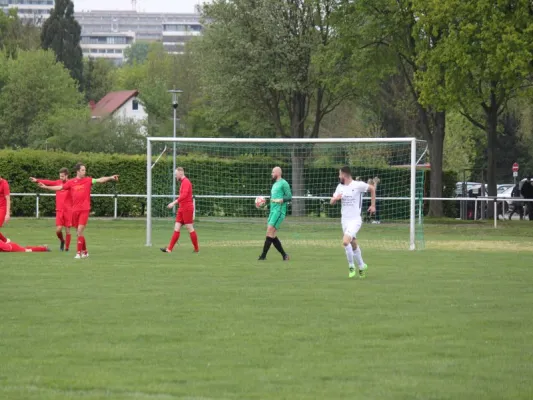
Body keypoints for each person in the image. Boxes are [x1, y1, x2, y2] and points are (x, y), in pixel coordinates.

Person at [38, 163, 119, 259]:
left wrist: (110, 177)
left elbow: (100, 180)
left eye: (85, 170)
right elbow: (60, 187)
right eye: (83, 170)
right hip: (74, 211)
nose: (85, 171)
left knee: (80, 231)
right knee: (78, 233)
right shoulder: (71, 182)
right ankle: (85, 252)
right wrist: (46, 187)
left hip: (84, 210)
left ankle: (78, 253)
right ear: (78, 171)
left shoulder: (88, 180)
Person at [330, 166, 376, 279]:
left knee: (346, 242)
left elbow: (372, 188)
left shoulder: (358, 185)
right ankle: (361, 265)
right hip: (344, 220)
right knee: (353, 243)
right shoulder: (339, 187)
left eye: (340, 174)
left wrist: (373, 205)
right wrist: (335, 199)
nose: (339, 176)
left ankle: (351, 266)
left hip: (355, 220)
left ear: (345, 175)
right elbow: (331, 202)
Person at [30, 168, 73, 251]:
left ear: (67, 175)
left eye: (62, 176)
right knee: (58, 230)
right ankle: (62, 241)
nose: (61, 177)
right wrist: (36, 180)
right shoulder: (57, 182)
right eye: (60, 176)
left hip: (68, 210)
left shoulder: (70, 183)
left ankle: (67, 249)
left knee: (68, 230)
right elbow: (48, 182)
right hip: (59, 210)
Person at [161, 167, 199, 253]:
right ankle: (169, 249)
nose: (175, 176)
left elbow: (184, 195)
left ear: (181, 173)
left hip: (187, 208)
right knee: (177, 227)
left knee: (189, 227)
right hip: (181, 208)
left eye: (176, 174)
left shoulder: (186, 182)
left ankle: (196, 249)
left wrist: (173, 203)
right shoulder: (182, 182)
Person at [258, 166, 292, 261]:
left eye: (273, 172)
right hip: (273, 211)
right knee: (271, 234)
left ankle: (263, 256)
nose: (271, 174)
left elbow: (289, 196)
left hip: (279, 211)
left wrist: (282, 200)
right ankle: (285, 256)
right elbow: (273, 199)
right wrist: (266, 206)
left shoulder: (284, 183)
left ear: (278, 173)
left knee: (269, 231)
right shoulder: (274, 185)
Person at [0, 175, 10, 243]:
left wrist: (7, 213)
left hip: (2, 208)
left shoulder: (4, 183)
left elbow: (8, 199)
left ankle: (5, 241)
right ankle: (6, 241)